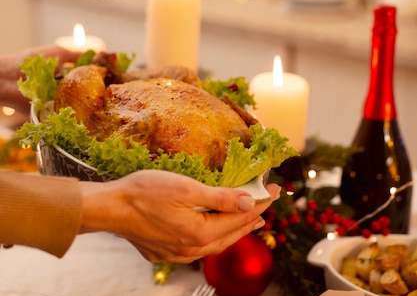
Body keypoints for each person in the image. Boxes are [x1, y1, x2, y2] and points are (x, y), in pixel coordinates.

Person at [0, 44, 280, 262]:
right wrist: (121, 205)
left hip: (191, 109)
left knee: (181, 77)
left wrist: (2, 77)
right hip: (146, 110)